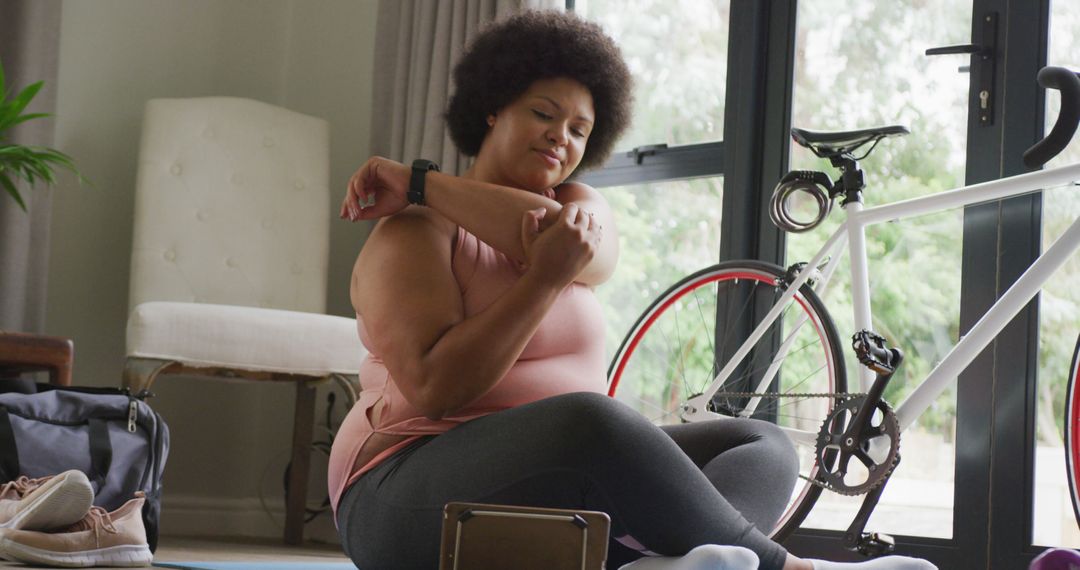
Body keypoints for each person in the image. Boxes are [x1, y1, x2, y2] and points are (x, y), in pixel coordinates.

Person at [330, 10, 937, 570]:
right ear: (493, 108)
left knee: (762, 442)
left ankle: (670, 566)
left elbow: (560, 241)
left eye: (579, 129)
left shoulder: (578, 211)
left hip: (563, 495)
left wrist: (417, 180)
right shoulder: (413, 234)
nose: (559, 137)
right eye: (543, 114)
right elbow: (438, 390)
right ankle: (789, 569)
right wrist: (529, 273)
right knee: (591, 421)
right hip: (402, 495)